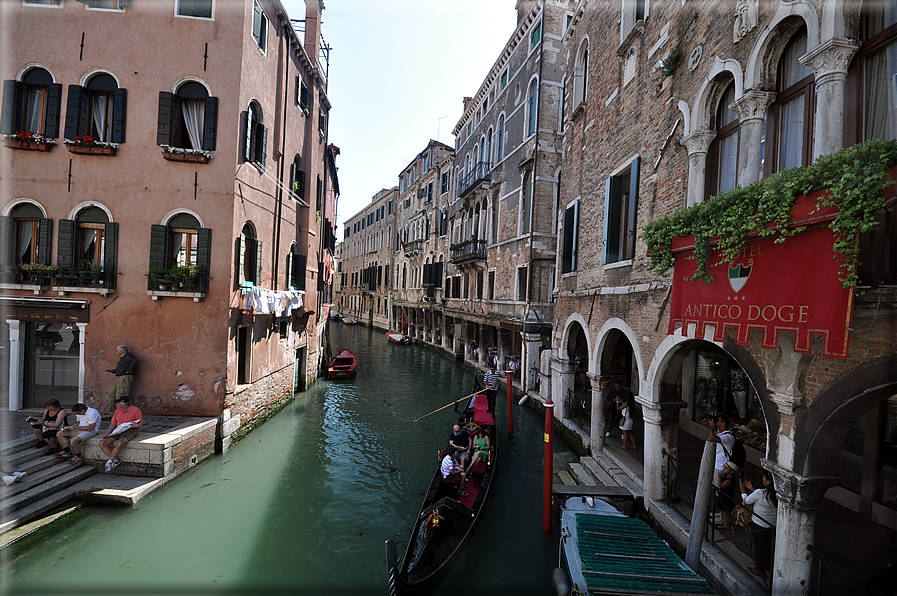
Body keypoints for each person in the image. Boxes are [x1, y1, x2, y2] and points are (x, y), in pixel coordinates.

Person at [740, 470, 778, 577]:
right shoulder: (777, 496)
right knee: (767, 545)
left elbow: (746, 501)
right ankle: (766, 564)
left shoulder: (760, 493)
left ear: (769, 481)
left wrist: (742, 488)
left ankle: (760, 569)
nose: (762, 479)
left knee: (759, 547)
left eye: (764, 477)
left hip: (758, 524)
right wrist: (752, 489)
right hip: (771, 525)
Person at [99, 396, 142, 473]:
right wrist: (107, 433)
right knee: (102, 443)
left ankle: (110, 461)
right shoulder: (117, 411)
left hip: (130, 431)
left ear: (123, 404)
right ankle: (115, 460)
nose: (116, 404)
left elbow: (140, 422)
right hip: (118, 430)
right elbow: (113, 423)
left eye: (117, 403)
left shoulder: (136, 410)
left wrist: (136, 425)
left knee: (119, 443)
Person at [706, 413, 735, 487]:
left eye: (718, 421)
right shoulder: (721, 433)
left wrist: (712, 427)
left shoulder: (728, 437)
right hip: (716, 465)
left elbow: (711, 438)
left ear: (723, 423)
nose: (716, 422)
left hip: (721, 467)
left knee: (718, 489)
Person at [106, 344, 137, 410]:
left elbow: (134, 363)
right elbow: (122, 368)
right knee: (111, 395)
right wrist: (114, 371)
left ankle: (121, 413)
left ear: (121, 351)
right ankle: (113, 413)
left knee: (120, 396)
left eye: (116, 350)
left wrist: (128, 370)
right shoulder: (123, 358)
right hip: (120, 377)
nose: (116, 351)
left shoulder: (128, 357)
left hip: (125, 378)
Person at [714, 461, 739, 530]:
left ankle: (732, 527)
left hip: (727, 498)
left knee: (726, 513)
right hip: (723, 495)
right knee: (723, 511)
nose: (724, 469)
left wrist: (719, 477)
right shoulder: (726, 476)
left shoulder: (729, 480)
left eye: (726, 468)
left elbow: (721, 486)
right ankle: (726, 525)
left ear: (731, 471)